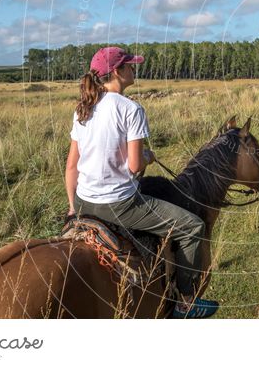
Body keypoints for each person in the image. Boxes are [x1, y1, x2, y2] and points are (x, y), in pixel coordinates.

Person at [64, 46, 219, 319]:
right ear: (117, 72)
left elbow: (71, 165)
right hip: (119, 204)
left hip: (84, 201)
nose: (133, 69)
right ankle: (185, 303)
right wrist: (148, 156)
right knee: (192, 226)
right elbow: (135, 166)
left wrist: (72, 207)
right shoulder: (131, 109)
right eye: (129, 65)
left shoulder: (82, 109)